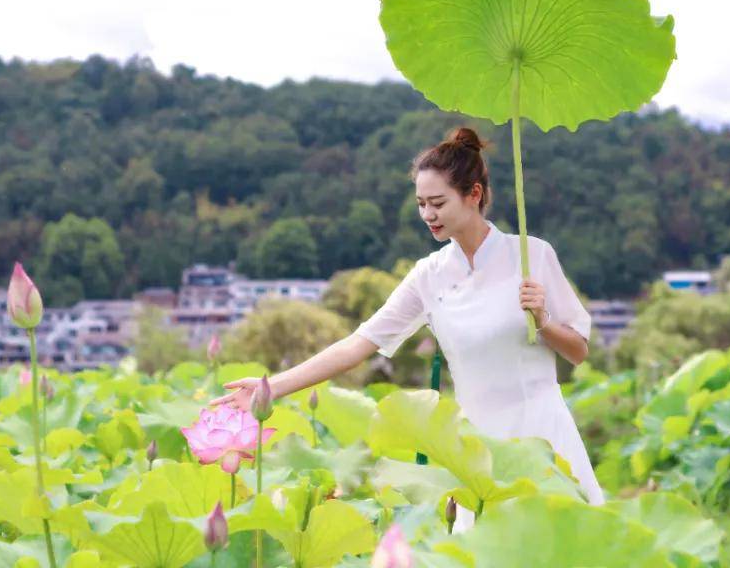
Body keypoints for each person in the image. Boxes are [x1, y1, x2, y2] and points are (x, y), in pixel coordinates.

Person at [211, 126, 606, 524]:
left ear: (474, 194)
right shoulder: (428, 275)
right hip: (478, 451)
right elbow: (357, 345)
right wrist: (270, 388)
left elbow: (578, 350)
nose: (428, 215)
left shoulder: (531, 255)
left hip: (542, 435)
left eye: (438, 202)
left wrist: (544, 321)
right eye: (421, 204)